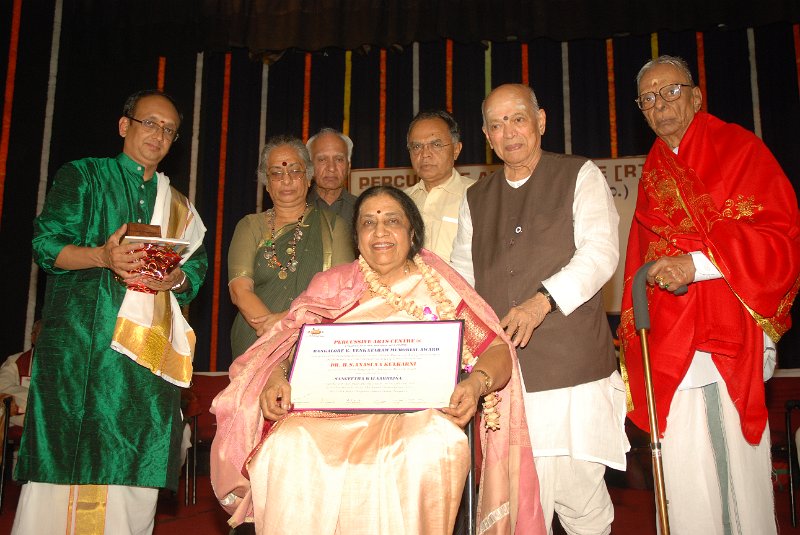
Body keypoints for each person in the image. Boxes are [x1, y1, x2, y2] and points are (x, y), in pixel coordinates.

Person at [212, 186, 546, 534]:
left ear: (412, 232)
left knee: (433, 445)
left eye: (392, 221)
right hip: (328, 416)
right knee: (286, 444)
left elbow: (497, 350)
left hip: (416, 417)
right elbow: (293, 347)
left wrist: (476, 385)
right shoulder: (333, 285)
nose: (380, 231)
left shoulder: (439, 287)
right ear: (357, 238)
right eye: (368, 222)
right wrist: (277, 377)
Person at [619, 55, 800, 534]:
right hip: (674, 334)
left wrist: (696, 266)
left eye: (671, 91)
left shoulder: (738, 148)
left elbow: (777, 235)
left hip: (731, 323)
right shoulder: (655, 171)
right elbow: (643, 256)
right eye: (649, 99)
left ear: (697, 96)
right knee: (683, 467)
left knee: (737, 467)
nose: (661, 105)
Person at [13, 89, 208, 534]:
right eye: (149, 123)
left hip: (144, 360)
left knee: (135, 463)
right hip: (82, 349)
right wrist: (101, 256)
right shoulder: (84, 176)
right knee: (66, 461)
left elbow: (196, 265)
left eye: (169, 129)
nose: (158, 134)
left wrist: (173, 280)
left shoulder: (178, 205)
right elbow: (45, 245)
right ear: (125, 125)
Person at [451, 83, 629, 534]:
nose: (508, 132)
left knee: (578, 497)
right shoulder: (475, 198)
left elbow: (600, 252)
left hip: (570, 374)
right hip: (503, 377)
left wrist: (541, 301)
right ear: (487, 137)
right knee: (512, 505)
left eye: (517, 118)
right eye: (496, 124)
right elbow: (462, 280)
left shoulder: (579, 175)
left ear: (541, 121)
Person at [228, 135, 354, 358]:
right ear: (267, 184)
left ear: (308, 178)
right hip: (256, 338)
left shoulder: (334, 225)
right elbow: (240, 291)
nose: (286, 180)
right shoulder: (249, 225)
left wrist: (288, 320)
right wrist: (275, 336)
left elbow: (340, 291)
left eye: (295, 171)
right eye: (276, 173)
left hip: (313, 337)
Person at [404, 110, 475, 262]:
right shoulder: (401, 202)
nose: (425, 154)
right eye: (416, 147)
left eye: (436, 144)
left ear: (456, 149)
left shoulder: (477, 196)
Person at [306, 128, 358, 229]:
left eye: (339, 159)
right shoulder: (295, 210)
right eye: (322, 159)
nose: (331, 168)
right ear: (310, 166)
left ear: (349, 166)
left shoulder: (362, 209)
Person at [0, 320, 41, 429]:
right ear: (33, 338)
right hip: (20, 424)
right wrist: (38, 399)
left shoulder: (63, 366)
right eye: (42, 334)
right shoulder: (15, 361)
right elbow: (3, 388)